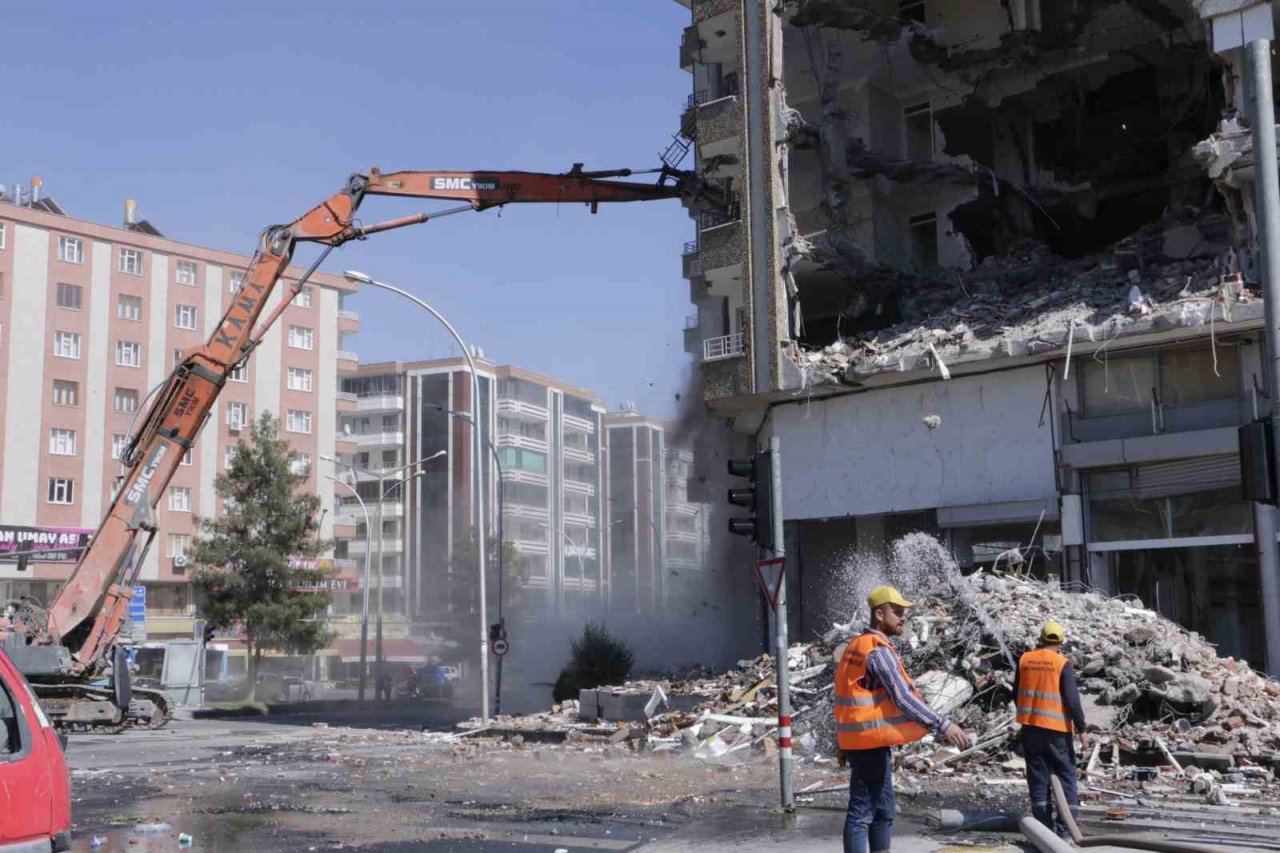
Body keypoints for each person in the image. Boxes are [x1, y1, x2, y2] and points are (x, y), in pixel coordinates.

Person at [834, 585, 971, 853]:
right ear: (879, 615)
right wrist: (943, 725)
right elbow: (903, 699)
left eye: (903, 612)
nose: (903, 617)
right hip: (868, 743)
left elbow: (846, 696)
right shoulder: (877, 651)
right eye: (896, 612)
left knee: (883, 809)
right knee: (863, 812)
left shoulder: (857, 645)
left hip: (866, 741)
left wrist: (842, 740)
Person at [1015, 620, 1088, 838]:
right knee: (1066, 777)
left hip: (1031, 729)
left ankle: (1043, 830)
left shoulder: (1025, 660)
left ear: (1041, 638)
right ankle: (1065, 831)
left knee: (1038, 778)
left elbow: (1015, 692)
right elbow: (1072, 700)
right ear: (1061, 641)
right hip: (1057, 731)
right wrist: (1082, 729)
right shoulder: (1062, 663)